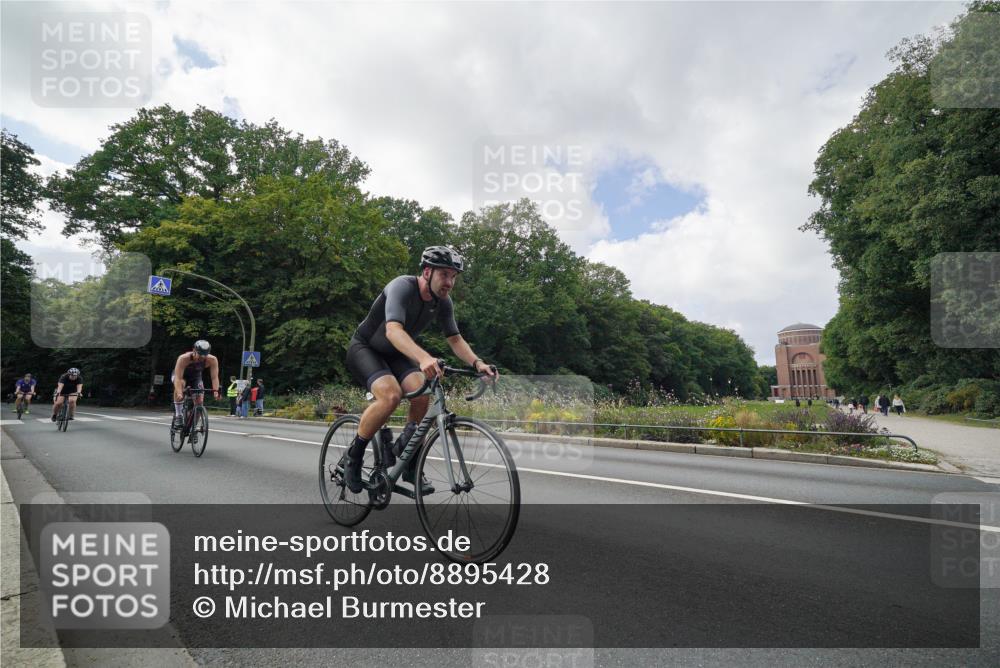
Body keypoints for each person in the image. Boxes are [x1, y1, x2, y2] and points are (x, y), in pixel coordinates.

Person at [342, 246, 497, 494]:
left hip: (397, 354)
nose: (449, 282)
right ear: (427, 272)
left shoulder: (443, 302)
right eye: (444, 274)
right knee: (390, 395)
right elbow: (393, 330)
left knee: (422, 394)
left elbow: (455, 339)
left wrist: (478, 363)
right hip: (366, 349)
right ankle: (354, 456)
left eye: (453, 277)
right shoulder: (402, 287)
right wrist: (424, 358)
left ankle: (410, 461)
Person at [171, 340, 221, 430]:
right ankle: (179, 415)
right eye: (200, 355)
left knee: (199, 402)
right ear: (194, 350)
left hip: (196, 377)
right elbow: (178, 378)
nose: (202, 357)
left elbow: (214, 377)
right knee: (181, 385)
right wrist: (179, 393)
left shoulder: (212, 360)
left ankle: (193, 427)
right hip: (181, 376)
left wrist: (216, 392)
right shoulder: (183, 358)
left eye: (205, 355)